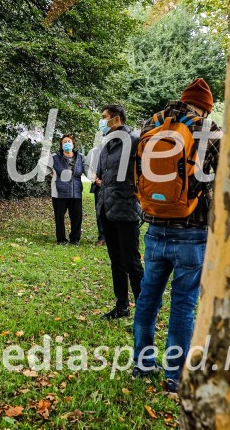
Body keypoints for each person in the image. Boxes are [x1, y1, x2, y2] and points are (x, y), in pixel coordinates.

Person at [133, 78, 221, 393]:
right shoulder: (209, 130)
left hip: (155, 227)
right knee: (183, 304)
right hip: (192, 231)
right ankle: (175, 375)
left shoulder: (151, 124)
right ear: (205, 108)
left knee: (148, 298)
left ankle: (142, 363)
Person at [94, 104, 144, 320]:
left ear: (116, 119)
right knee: (116, 261)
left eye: (104, 117)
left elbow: (144, 171)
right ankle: (122, 306)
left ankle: (144, 310)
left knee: (132, 262)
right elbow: (102, 173)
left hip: (126, 209)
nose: (101, 121)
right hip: (107, 209)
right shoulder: (107, 144)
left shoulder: (134, 140)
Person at [48, 135, 84, 245]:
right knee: (59, 216)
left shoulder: (80, 157)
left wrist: (96, 179)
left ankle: (75, 239)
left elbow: (86, 169)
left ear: (73, 144)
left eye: (69, 141)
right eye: (64, 142)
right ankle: (61, 239)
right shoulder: (54, 157)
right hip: (59, 191)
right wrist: (51, 173)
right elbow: (42, 165)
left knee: (77, 216)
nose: (67, 143)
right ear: (61, 144)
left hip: (75, 190)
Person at [83, 145, 105, 246]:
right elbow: (87, 166)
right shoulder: (94, 151)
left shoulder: (119, 148)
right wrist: (96, 180)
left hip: (116, 186)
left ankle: (115, 237)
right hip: (99, 186)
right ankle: (102, 237)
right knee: (100, 211)